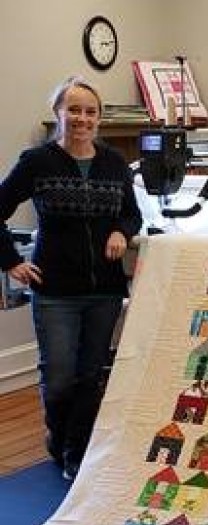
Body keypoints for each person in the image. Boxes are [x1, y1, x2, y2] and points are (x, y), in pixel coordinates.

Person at [0, 76, 142, 481]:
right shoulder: (36, 162)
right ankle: (59, 438)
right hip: (55, 291)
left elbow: (131, 214)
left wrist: (121, 231)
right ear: (58, 113)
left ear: (99, 118)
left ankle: (76, 452)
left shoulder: (114, 162)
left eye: (90, 112)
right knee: (60, 376)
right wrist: (9, 261)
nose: (82, 118)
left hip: (105, 291)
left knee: (90, 375)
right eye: (74, 109)